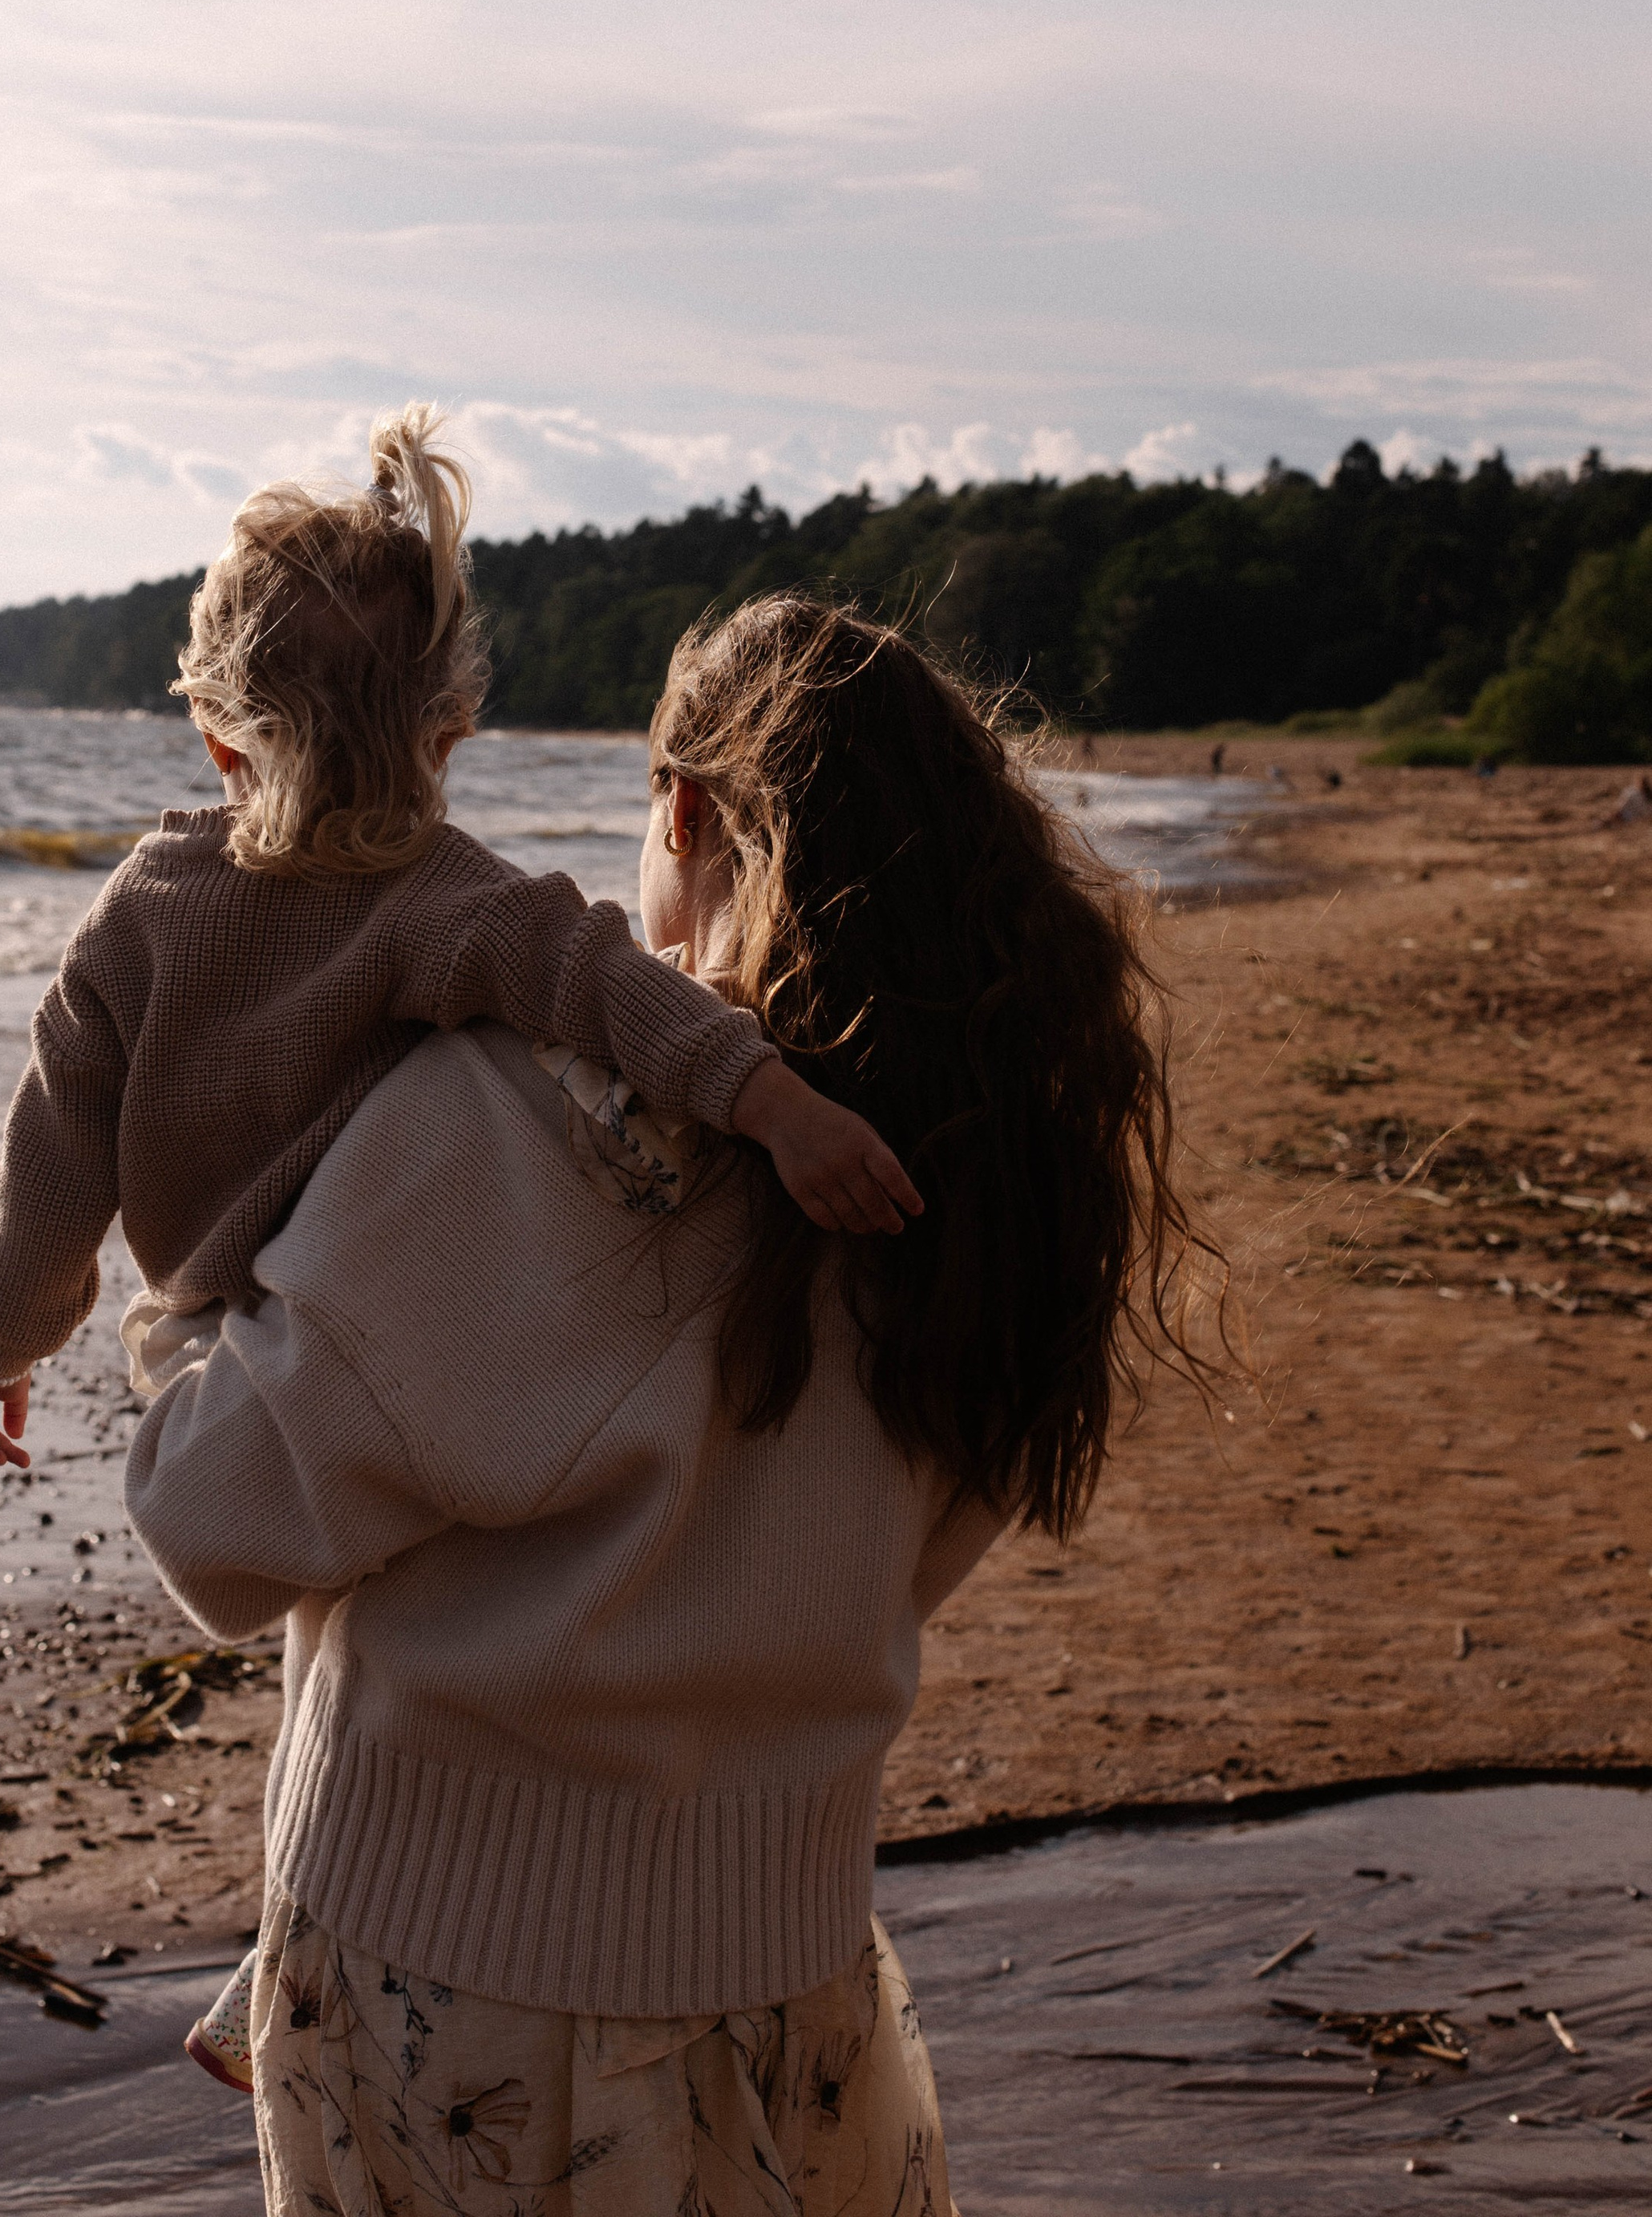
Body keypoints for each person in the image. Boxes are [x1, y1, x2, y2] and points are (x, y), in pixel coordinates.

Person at [127, 594, 1209, 2215]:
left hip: (455, 1977)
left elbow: (210, 1524)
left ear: (685, 814)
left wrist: (187, 1302)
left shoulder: (514, 1117)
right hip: (793, 1971)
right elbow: (890, 1566)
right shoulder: (994, 1171)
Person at [0, 412, 913, 1473]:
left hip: (210, 1345)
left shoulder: (141, 907)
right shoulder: (447, 895)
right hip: (403, 1325)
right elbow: (614, 985)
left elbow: (56, 1150)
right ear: (448, 731)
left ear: (216, 734)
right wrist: (781, 1109)